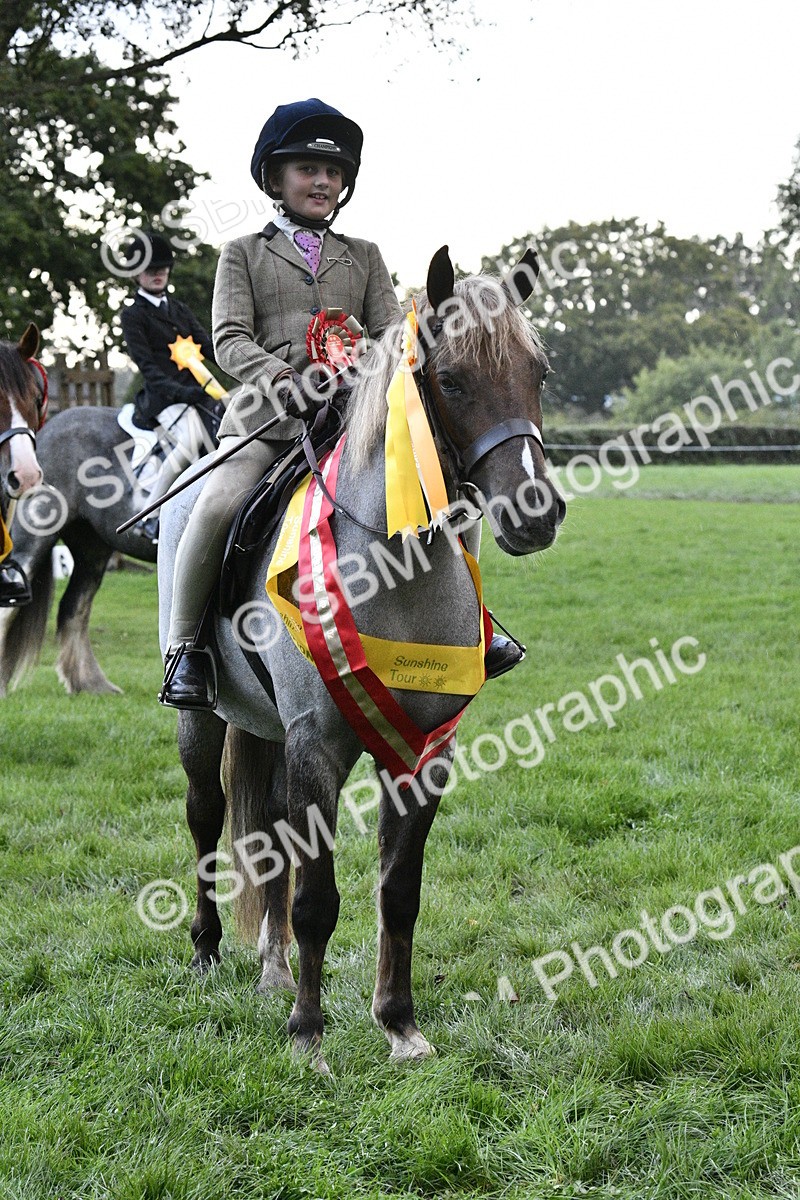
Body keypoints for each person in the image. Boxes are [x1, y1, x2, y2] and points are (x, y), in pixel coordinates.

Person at [160, 97, 523, 709]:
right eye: (306, 169)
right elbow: (228, 340)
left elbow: (390, 335)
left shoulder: (366, 254)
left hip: (357, 423)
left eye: (332, 173)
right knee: (217, 502)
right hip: (270, 423)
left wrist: (374, 379)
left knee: (455, 499)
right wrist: (286, 382)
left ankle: (475, 626)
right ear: (275, 179)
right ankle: (185, 649)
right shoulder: (243, 253)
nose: (322, 181)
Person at [120, 231, 223, 542]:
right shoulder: (134, 315)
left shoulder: (178, 309)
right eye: (151, 269)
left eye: (162, 267)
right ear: (136, 273)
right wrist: (187, 393)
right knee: (190, 441)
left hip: (199, 394)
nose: (157, 273)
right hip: (164, 399)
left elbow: (209, 347)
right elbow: (150, 371)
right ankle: (150, 516)